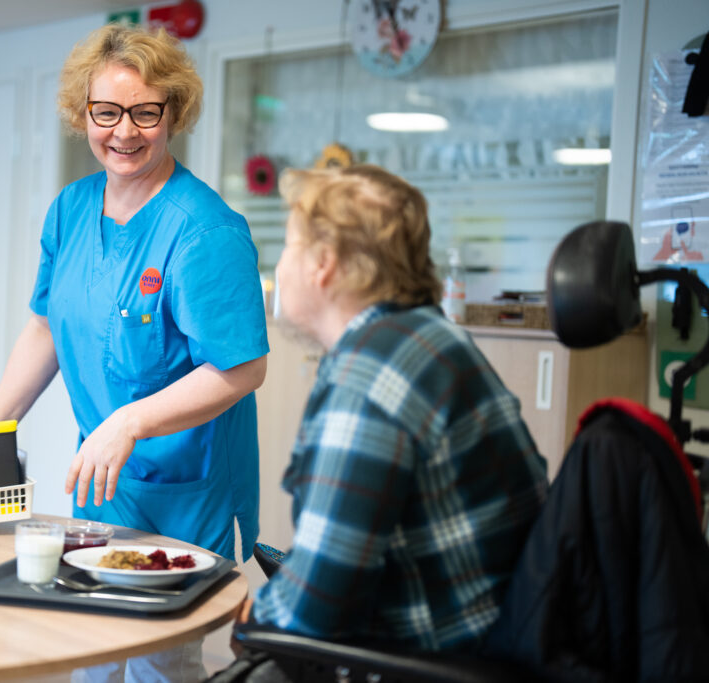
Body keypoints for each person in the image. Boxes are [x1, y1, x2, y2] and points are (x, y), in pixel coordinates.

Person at [0, 22, 269, 683]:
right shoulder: (70, 210)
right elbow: (47, 324)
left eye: (146, 112)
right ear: (83, 112)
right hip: (105, 482)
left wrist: (130, 421)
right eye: (106, 112)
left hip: (182, 489)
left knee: (156, 664)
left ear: (174, 111)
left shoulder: (204, 230)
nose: (124, 131)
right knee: (91, 655)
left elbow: (243, 365)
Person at [222, 164, 547, 677]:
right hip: (492, 636)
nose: (279, 268)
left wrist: (256, 621)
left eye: (287, 247)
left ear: (322, 264)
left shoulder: (370, 376)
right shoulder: (430, 337)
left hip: (428, 659)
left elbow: (315, 606)